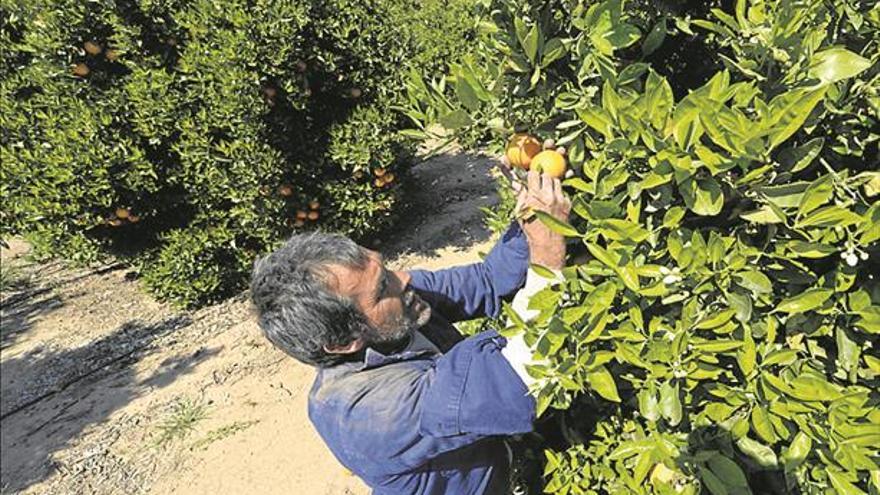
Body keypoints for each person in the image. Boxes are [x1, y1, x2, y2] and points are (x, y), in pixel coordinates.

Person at [249, 169, 571, 494]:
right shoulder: (370, 411)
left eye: (385, 268)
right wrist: (549, 256)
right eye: (381, 288)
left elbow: (488, 280)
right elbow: (520, 377)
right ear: (345, 341)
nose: (403, 280)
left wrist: (532, 214)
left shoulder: (397, 305)